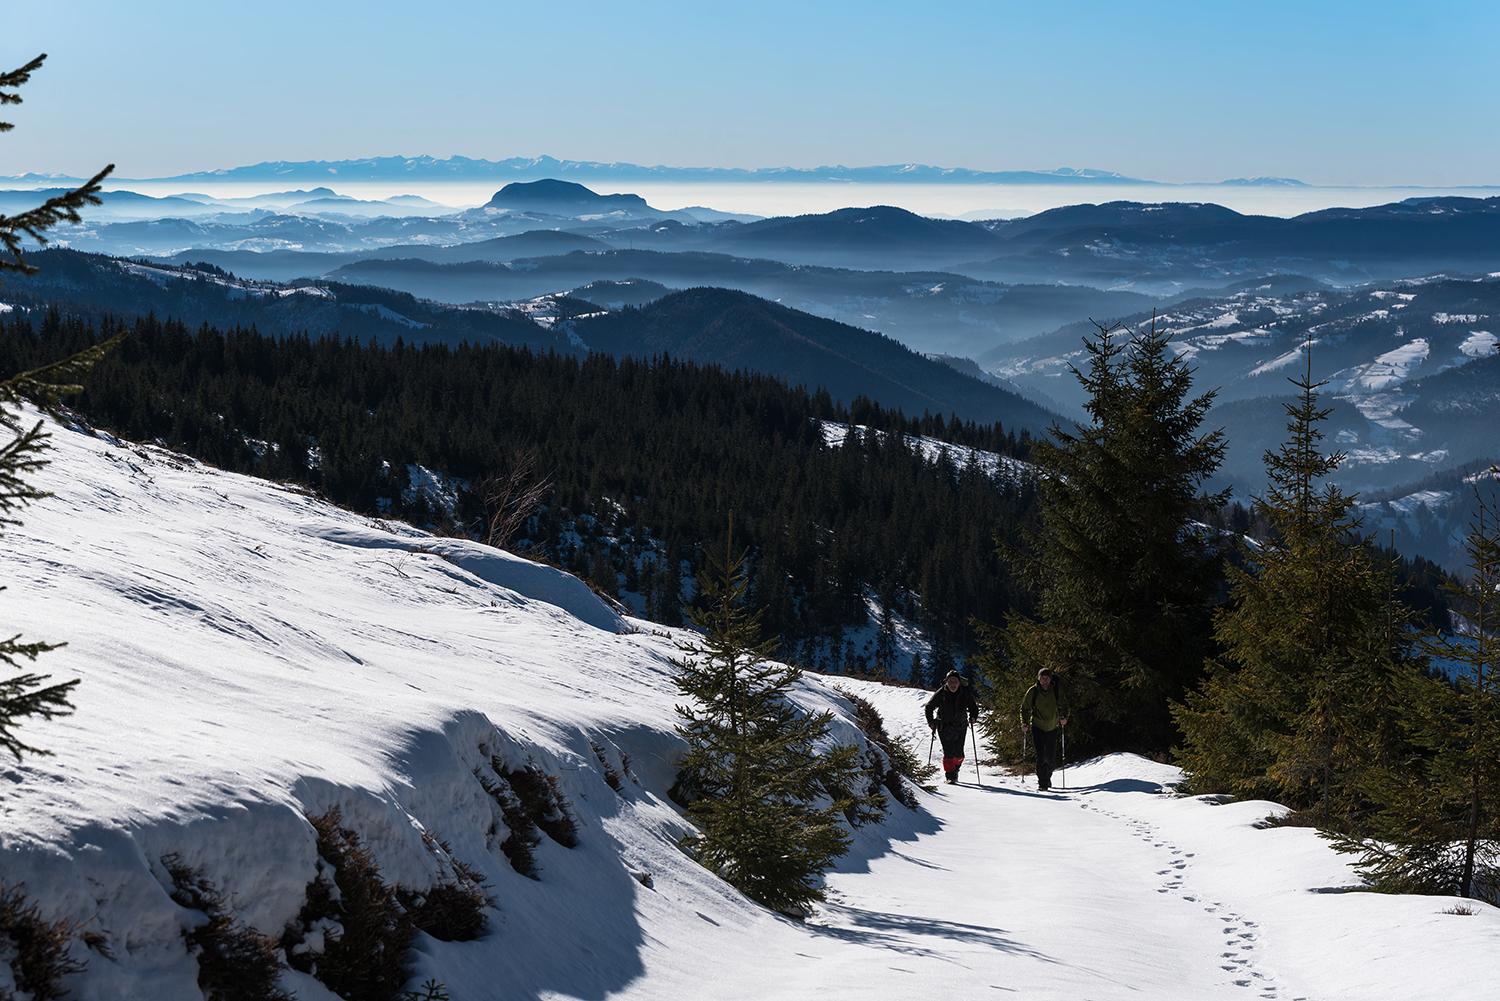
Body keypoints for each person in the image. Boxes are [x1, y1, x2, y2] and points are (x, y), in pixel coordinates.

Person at [925, 670, 978, 785]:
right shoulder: (941, 693)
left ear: (959, 682)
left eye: (955, 681)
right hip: (944, 726)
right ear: (946, 682)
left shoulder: (965, 693)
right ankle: (950, 776)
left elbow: (973, 707)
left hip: (961, 726)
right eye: (950, 681)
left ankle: (956, 769)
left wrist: (973, 717)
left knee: (959, 753)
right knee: (948, 751)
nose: (953, 684)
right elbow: (929, 707)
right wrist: (931, 722)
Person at [1020, 668, 1068, 791]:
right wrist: (1024, 723)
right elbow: (1025, 708)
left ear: (1051, 679)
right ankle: (1043, 783)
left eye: (1047, 678)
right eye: (1042, 678)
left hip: (1053, 727)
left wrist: (1064, 717)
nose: (1044, 680)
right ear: (1039, 679)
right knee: (1041, 756)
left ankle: (1047, 777)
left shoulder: (1056, 690)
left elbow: (1064, 705)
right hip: (1037, 727)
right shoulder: (1033, 691)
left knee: (1051, 758)